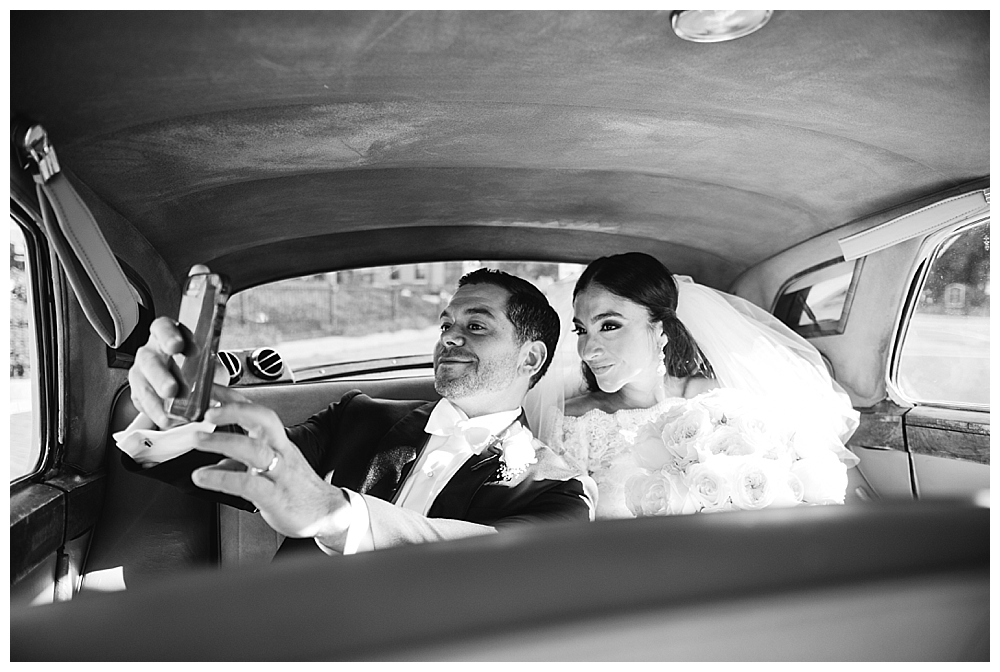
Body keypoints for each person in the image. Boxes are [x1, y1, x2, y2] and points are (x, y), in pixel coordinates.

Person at [118, 268, 594, 558]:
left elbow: (493, 558)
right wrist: (175, 414)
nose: (449, 336)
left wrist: (335, 514)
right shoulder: (359, 415)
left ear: (530, 359)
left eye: (476, 326)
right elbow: (249, 463)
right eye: (446, 323)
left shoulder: (558, 490)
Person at [528, 252, 860, 519]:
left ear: (661, 329)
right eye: (581, 330)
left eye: (609, 325)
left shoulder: (726, 402)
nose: (589, 350)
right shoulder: (571, 425)